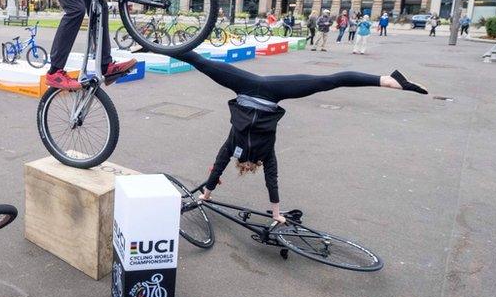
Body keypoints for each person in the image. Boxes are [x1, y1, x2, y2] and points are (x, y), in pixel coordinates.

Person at [174, 51, 427, 223]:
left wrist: (276, 213)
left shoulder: (264, 154)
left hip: (273, 92)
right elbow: (220, 165)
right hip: (249, 86)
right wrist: (207, 191)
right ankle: (146, 44)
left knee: (329, 81)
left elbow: (271, 181)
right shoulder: (235, 146)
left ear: (254, 165)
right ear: (243, 164)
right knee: (199, 61)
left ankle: (389, 81)